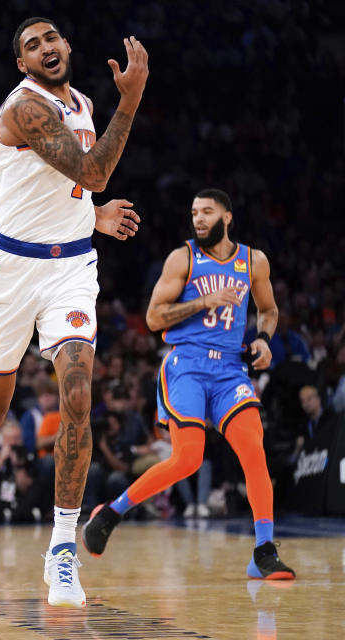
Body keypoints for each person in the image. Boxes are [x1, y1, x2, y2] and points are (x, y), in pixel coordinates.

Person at [0, 16, 148, 609]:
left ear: (68, 46)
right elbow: (93, 172)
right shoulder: (24, 108)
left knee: (77, 397)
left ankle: (61, 552)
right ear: (22, 64)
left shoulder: (86, 103)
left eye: (52, 39)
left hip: (71, 270)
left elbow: (70, 188)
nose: (45, 48)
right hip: (9, 273)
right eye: (32, 45)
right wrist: (134, 101)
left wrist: (89, 217)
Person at [83, 188, 296, 580]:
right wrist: (203, 301)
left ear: (227, 217)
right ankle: (112, 512)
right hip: (187, 365)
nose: (198, 219)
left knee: (254, 449)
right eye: (194, 212)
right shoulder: (183, 258)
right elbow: (152, 318)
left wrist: (264, 339)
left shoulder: (254, 261)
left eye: (207, 212)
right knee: (188, 459)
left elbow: (268, 310)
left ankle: (263, 551)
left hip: (231, 370)